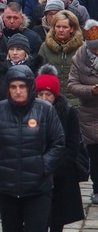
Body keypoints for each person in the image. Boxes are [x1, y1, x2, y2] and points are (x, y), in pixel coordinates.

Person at [0, 65, 65, 232]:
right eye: (13, 87)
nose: (18, 91)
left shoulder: (45, 110)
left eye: (22, 86)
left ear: (30, 87)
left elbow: (58, 142)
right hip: (7, 188)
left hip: (38, 188)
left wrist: (43, 166)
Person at [35, 65, 85, 231]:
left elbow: (72, 144)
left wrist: (57, 166)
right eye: (40, 94)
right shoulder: (31, 113)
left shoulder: (68, 112)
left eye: (47, 94)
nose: (44, 98)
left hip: (61, 172)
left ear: (55, 95)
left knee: (58, 216)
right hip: (37, 172)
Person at [68, 20, 98, 204]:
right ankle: (97, 188)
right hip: (89, 113)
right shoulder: (80, 57)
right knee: (94, 155)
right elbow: (72, 84)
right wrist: (91, 90)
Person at [39, 10, 84, 106]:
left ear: (72, 29)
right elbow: (39, 74)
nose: (60, 30)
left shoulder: (82, 48)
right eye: (58, 26)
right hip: (52, 100)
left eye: (65, 27)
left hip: (77, 100)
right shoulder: (45, 47)